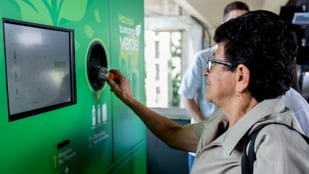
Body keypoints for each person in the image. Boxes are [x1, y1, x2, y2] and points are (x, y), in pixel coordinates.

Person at [107, 10, 309, 173]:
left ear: (240, 77)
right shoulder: (225, 122)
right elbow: (173, 134)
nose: (206, 72)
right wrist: (128, 98)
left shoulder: (276, 145)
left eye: (213, 62)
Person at [178, 2, 249, 170]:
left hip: (234, 144)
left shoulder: (248, 61)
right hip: (204, 142)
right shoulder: (203, 59)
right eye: (234, 22)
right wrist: (207, 128)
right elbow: (186, 96)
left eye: (244, 22)